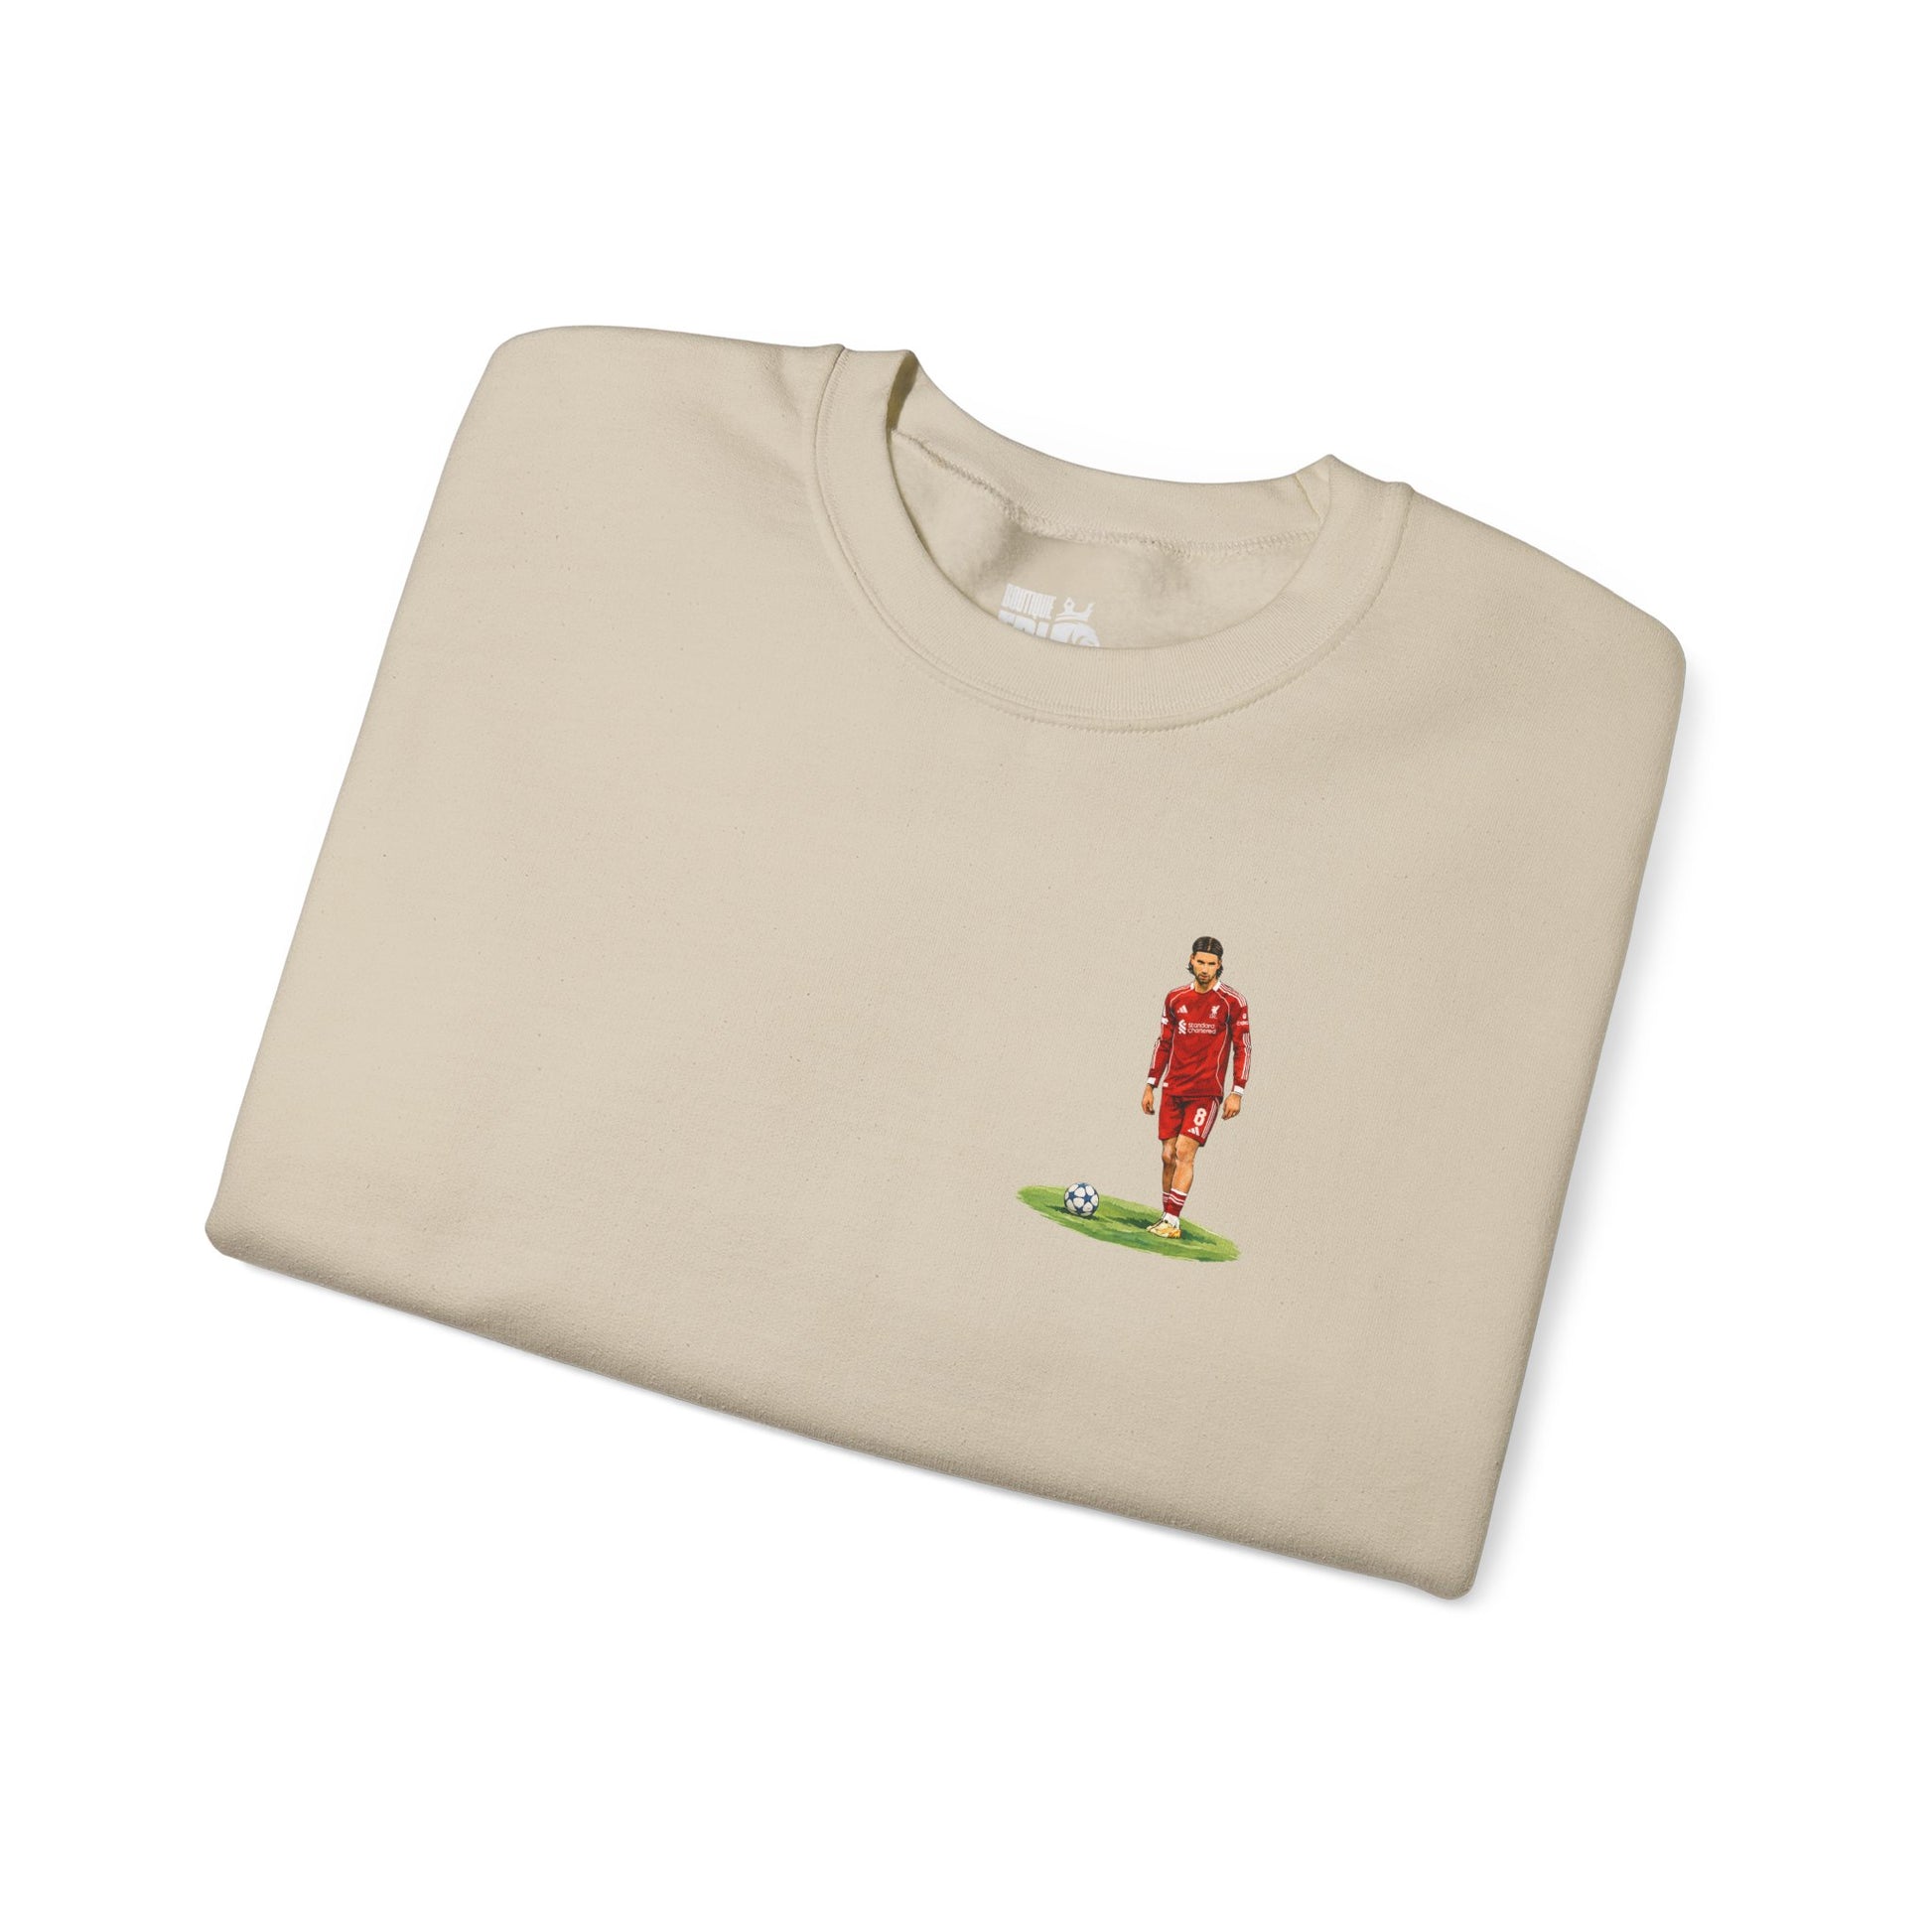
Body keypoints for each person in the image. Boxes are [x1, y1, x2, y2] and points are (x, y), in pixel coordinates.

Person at [1140, 937, 1251, 1237]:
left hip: (1205, 1093)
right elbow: (1163, 1042)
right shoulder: (1175, 998)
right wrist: (1151, 1084)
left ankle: (1172, 1222)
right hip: (1173, 1088)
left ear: (1219, 965)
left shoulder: (1232, 1001)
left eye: (1211, 964)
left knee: (1184, 1152)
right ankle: (1166, 1217)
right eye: (1200, 962)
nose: (1205, 969)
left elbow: (1243, 1047)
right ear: (1191, 960)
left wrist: (1237, 1091)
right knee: (1167, 1156)